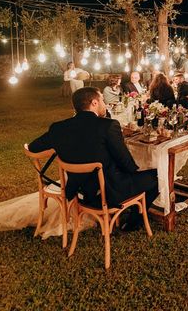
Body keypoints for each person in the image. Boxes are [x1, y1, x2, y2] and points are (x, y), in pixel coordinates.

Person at [28, 87, 158, 231]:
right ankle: (134, 220)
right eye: (102, 100)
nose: (105, 104)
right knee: (157, 177)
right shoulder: (108, 126)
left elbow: (33, 148)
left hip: (82, 193)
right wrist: (137, 171)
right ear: (94, 103)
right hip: (110, 192)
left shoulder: (58, 128)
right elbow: (126, 163)